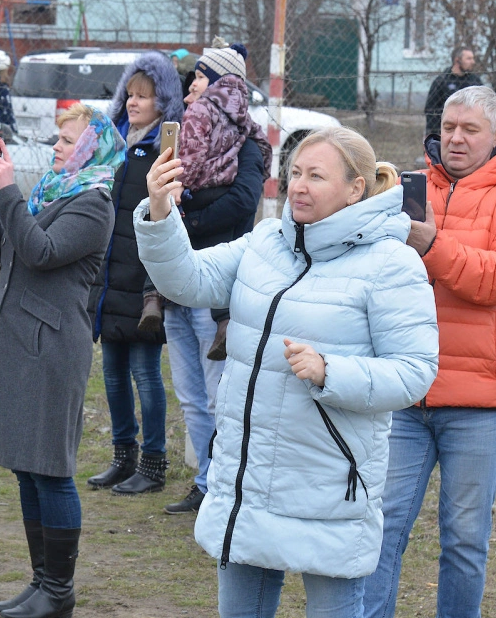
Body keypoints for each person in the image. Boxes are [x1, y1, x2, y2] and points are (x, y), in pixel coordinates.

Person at [135, 126, 438, 617]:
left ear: (355, 188)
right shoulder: (263, 243)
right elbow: (187, 280)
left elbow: (415, 371)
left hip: (330, 486)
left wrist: (330, 373)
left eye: (316, 176)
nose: (298, 185)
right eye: (294, 172)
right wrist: (161, 213)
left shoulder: (392, 264)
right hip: (249, 484)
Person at [362, 86, 496, 618]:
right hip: (404, 390)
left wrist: (431, 245)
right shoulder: (403, 189)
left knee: (465, 540)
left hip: (481, 399)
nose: (456, 138)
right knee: (380, 527)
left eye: (470, 130)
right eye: (449, 127)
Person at [0, 103, 118, 618]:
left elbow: (40, 251)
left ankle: (59, 591)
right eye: (57, 138)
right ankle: (41, 584)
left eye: (67, 139)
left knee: (51, 469)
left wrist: (10, 193)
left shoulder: (94, 204)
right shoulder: (49, 193)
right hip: (20, 340)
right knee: (26, 467)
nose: (56, 146)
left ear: (92, 148)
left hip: (53, 348)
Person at [153, 38, 270, 515]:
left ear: (222, 83)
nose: (190, 89)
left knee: (218, 389)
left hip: (215, 285)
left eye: (199, 78)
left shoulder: (248, 142)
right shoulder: (187, 137)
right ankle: (205, 480)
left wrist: (190, 219)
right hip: (178, 282)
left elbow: (242, 203)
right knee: (190, 393)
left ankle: (221, 483)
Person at [86, 52, 184, 495]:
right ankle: (122, 457)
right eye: (129, 95)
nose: (133, 103)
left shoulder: (164, 151)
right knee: (112, 374)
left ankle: (154, 462)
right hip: (109, 278)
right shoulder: (113, 142)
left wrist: (156, 285)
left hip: (144, 279)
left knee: (146, 374)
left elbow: (166, 216)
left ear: (163, 101)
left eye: (143, 96)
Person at [424, 47, 481, 136]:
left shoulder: (475, 81)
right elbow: (430, 109)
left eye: (472, 58)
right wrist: (434, 133)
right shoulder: (442, 81)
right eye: (469, 58)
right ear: (457, 60)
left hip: (471, 130)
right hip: (447, 131)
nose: (473, 62)